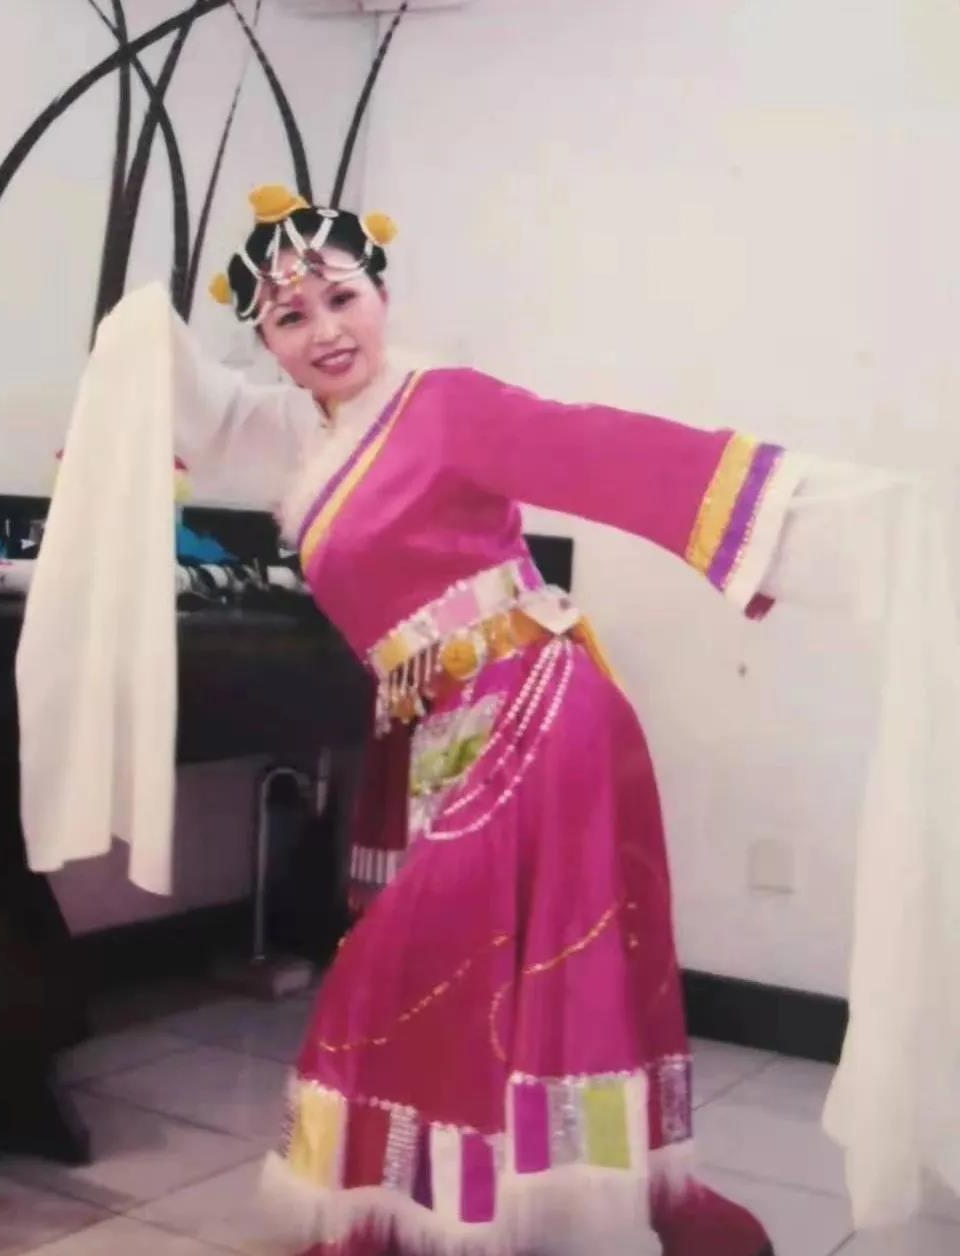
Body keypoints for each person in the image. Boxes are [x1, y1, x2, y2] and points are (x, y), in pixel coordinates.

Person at [198, 181, 793, 1256]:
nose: (324, 329)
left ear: (382, 294)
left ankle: (392, 1226)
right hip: (444, 729)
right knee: (493, 978)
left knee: (410, 963)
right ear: (268, 344)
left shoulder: (442, 402)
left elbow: (590, 447)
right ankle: (568, 1204)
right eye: (290, 317)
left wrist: (774, 513)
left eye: (341, 297)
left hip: (533, 706)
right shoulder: (322, 448)